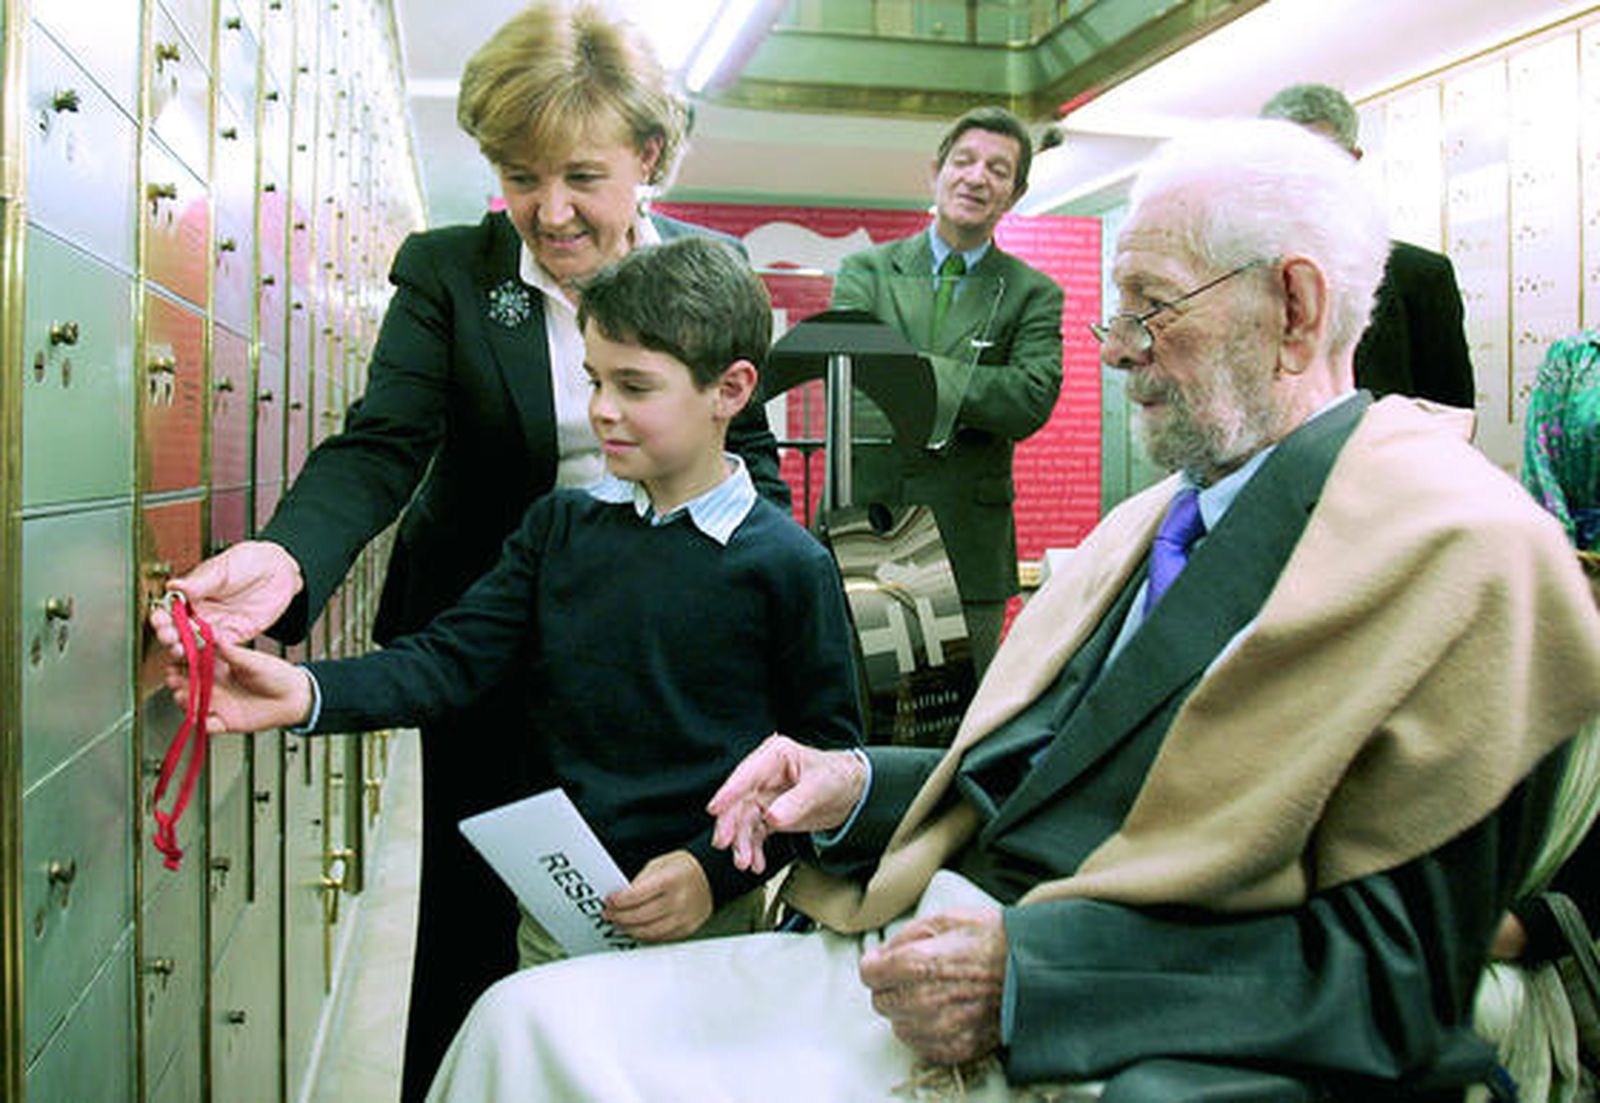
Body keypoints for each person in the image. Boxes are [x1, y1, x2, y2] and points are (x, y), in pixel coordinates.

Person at [421, 119, 1600, 1103]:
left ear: (1292, 305)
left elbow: (1397, 969)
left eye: (1147, 307)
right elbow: (1046, 778)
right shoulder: (1153, 524)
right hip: (934, 937)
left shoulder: (1459, 556)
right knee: (517, 1021)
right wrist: (853, 787)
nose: (1114, 350)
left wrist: (1024, 978)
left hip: (1072, 1004)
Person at [148, 4, 788, 1095]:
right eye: (519, 175)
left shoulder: (710, 271)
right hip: (486, 643)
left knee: (648, 905)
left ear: (647, 156)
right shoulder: (452, 273)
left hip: (658, 648)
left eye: (582, 175)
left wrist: (749, 603)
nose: (550, 210)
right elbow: (382, 446)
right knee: (473, 926)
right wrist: (290, 559)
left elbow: (754, 470)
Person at [159, 235, 862, 967]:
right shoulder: (560, 529)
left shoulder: (788, 565)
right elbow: (448, 660)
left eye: (635, 386)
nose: (601, 411)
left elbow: (826, 771)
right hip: (557, 921)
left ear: (731, 389)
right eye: (594, 381)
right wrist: (303, 692)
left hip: (711, 932)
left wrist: (708, 874)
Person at [830, 105, 1064, 675]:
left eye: (998, 169)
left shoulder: (1033, 294)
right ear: (936, 171)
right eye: (964, 161)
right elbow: (856, 368)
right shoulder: (866, 270)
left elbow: (1029, 400)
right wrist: (972, 382)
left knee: (948, 726)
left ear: (1015, 192)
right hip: (870, 520)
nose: (977, 177)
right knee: (857, 709)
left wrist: (909, 370)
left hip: (968, 542)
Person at [1262, 82, 1477, 409]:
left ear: (1352, 160)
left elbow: (1451, 415)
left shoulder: (1418, 277)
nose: (1301, 176)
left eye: (1320, 159)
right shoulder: (1240, 277)